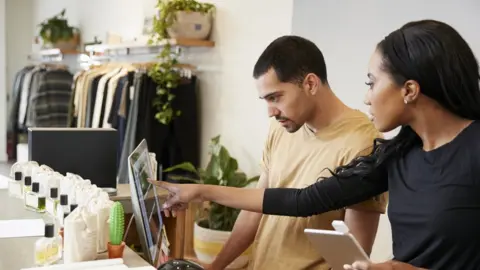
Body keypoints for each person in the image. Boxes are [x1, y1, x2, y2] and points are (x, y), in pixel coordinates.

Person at [150, 19, 480, 270]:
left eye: (372, 82)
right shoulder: (397, 156)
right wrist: (200, 192)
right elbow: (303, 201)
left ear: (409, 90)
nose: (366, 95)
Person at [176, 36, 387, 270]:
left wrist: (204, 191)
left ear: (310, 84)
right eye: (265, 100)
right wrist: (216, 267)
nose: (271, 112)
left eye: (275, 97)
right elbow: (255, 211)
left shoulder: (363, 142)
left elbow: (354, 256)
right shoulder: (282, 127)